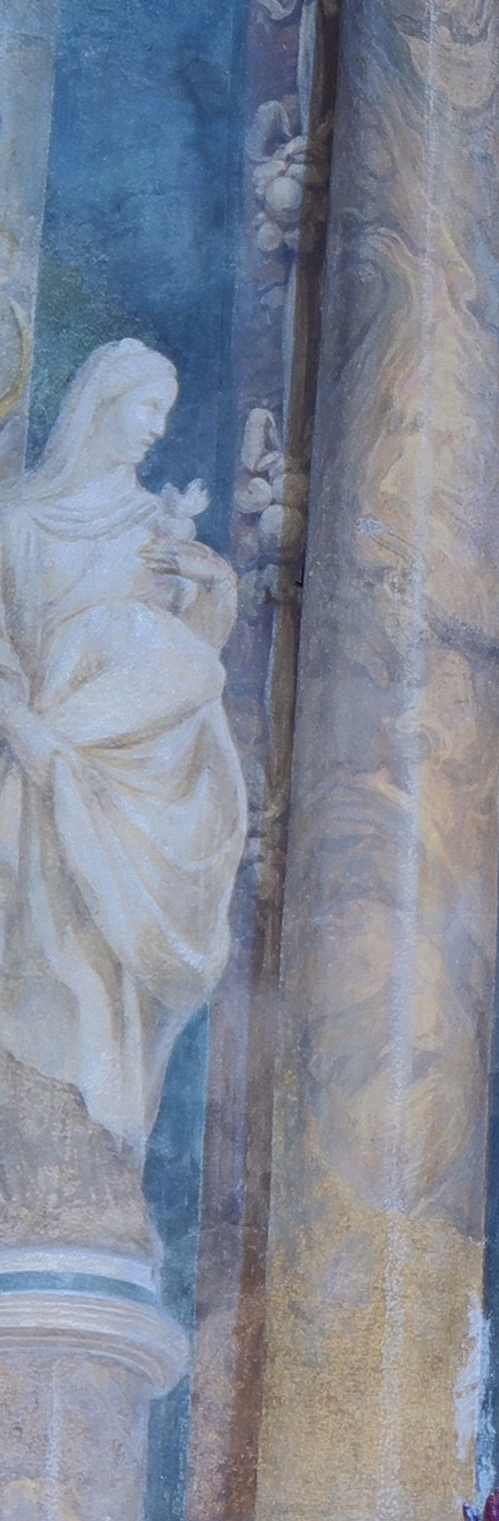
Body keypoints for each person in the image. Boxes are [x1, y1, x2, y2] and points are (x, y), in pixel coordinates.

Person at [0, 340, 250, 1156]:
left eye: (166, 415)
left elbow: (180, 667)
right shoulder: (20, 523)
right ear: (100, 406)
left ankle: (101, 1150)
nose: (155, 430)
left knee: (110, 972)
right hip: (38, 768)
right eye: (146, 408)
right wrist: (31, 737)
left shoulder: (153, 528)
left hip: (131, 790)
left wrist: (215, 593)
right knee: (46, 959)